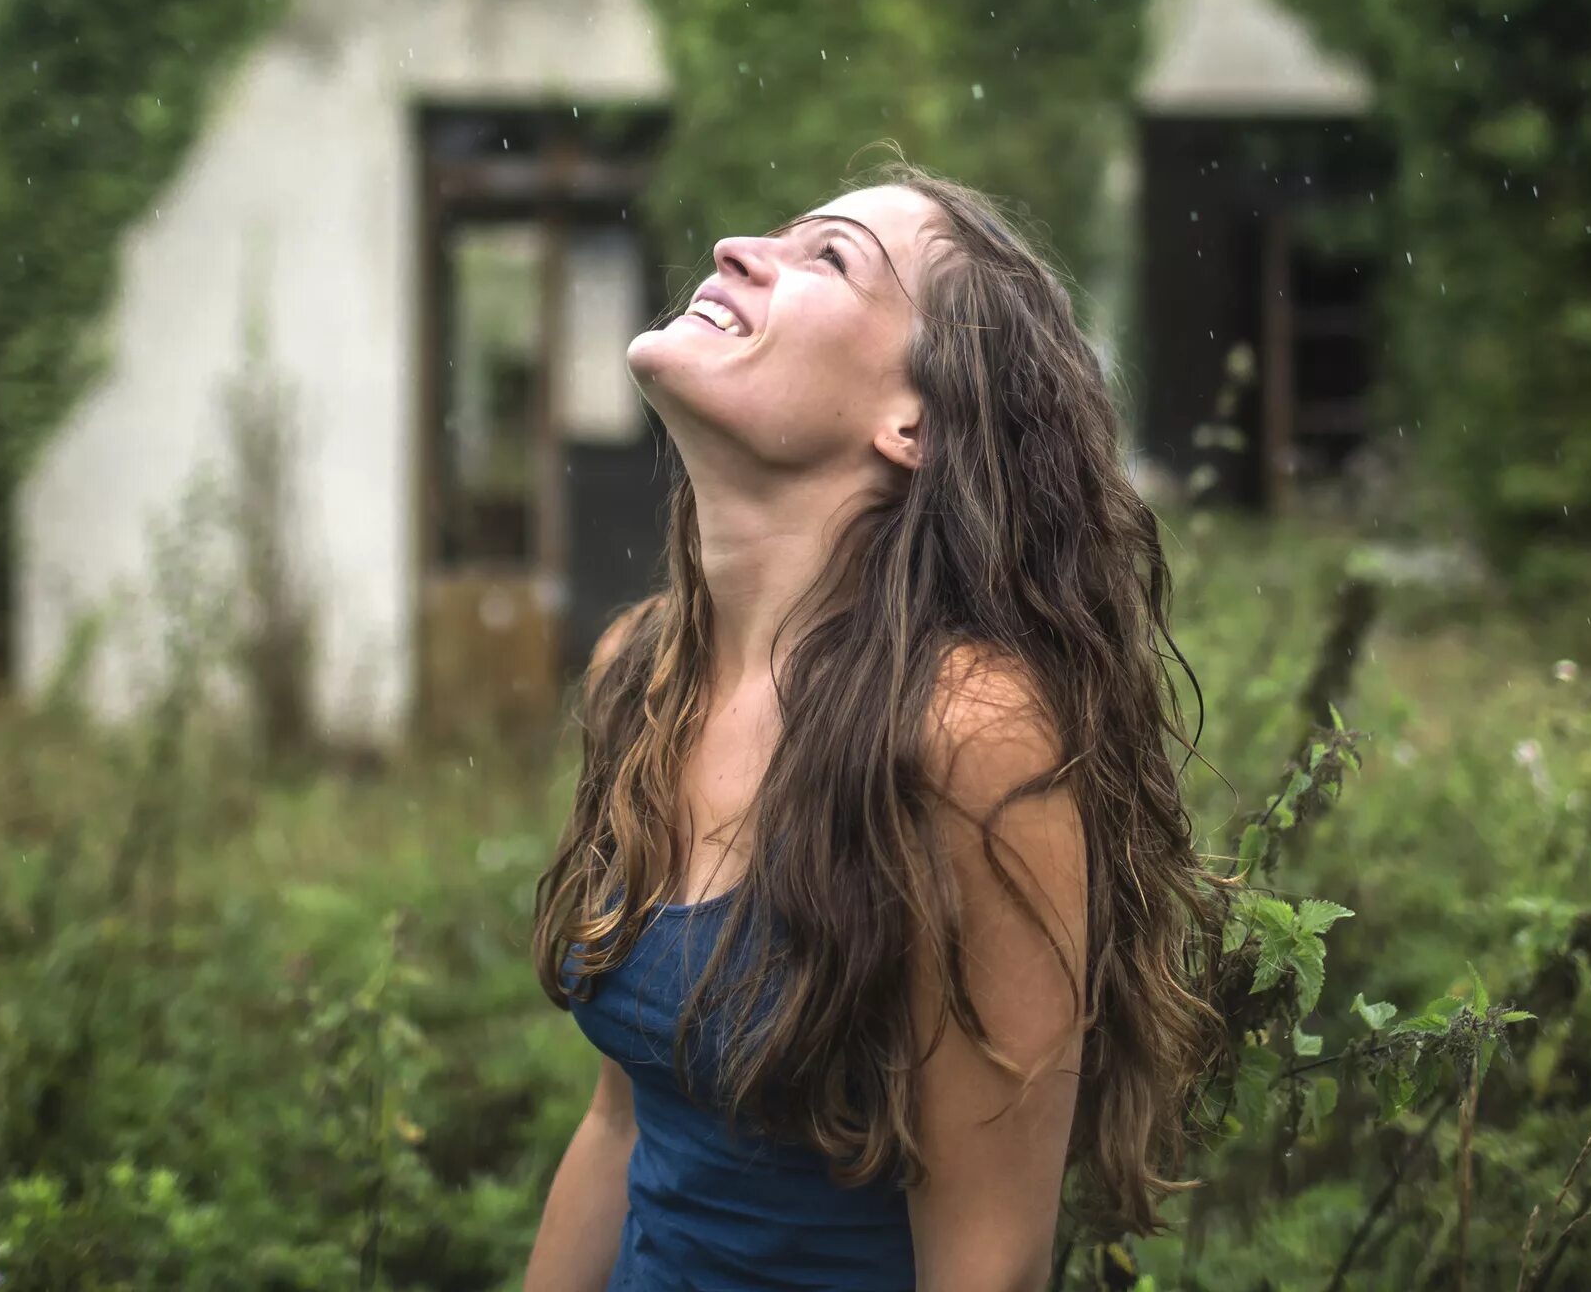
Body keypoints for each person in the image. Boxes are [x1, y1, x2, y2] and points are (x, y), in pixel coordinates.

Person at [523, 159, 1228, 1292]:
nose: (736, 250)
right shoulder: (643, 672)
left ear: (915, 420)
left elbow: (988, 1262)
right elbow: (620, 1123)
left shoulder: (966, 738)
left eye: (830, 257)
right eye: (777, 231)